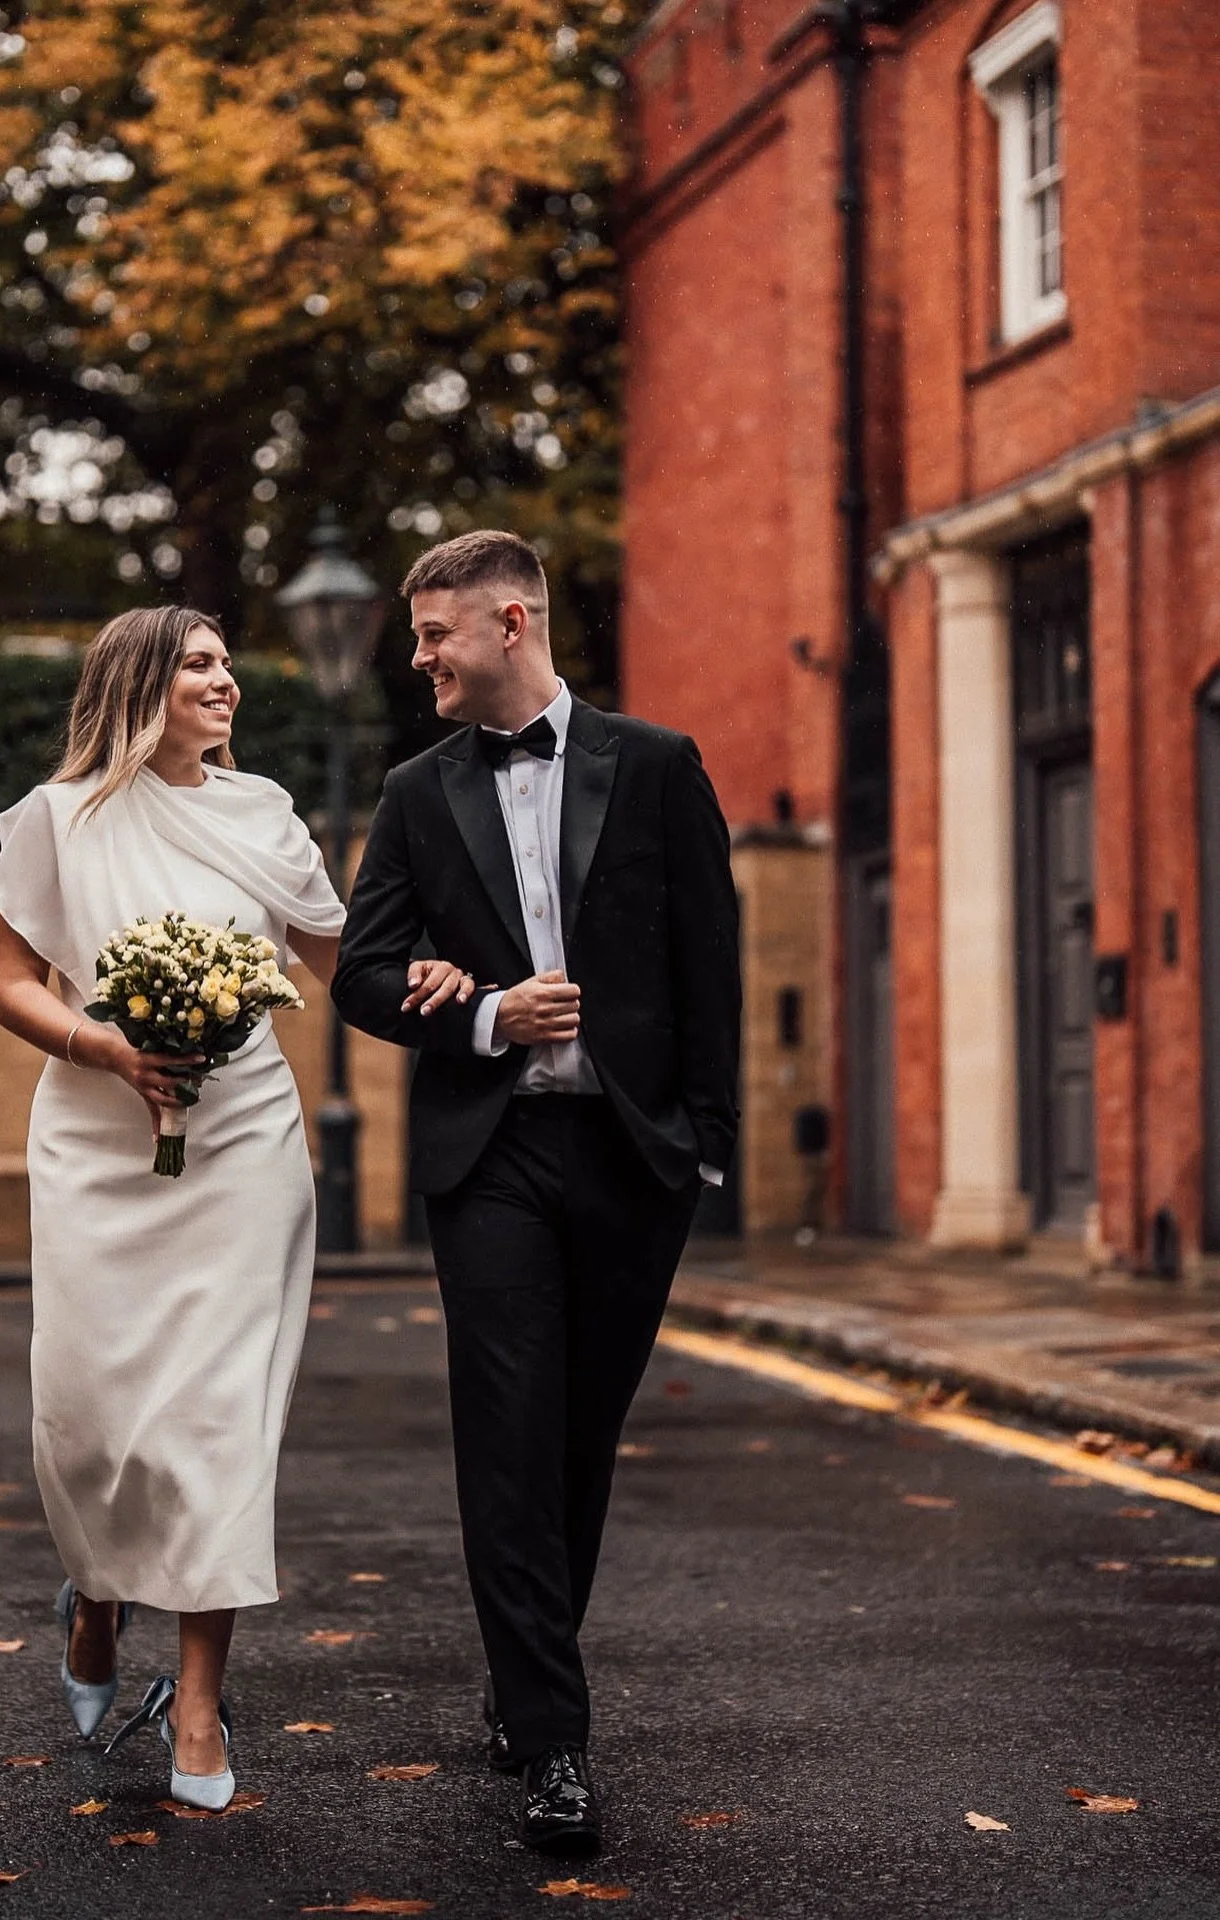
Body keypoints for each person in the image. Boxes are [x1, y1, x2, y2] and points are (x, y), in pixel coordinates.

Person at [0, 604, 472, 1810]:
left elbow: (340, 961)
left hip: (247, 1140)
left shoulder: (263, 818)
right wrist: (103, 1045)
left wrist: (439, 979)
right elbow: (7, 984)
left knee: (219, 1422)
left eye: (227, 664)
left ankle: (197, 1707)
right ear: (141, 679)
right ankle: (95, 1597)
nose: (226, 683)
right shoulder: (60, 819)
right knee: (94, 1417)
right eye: (200, 664)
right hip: (100, 1142)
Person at [332, 530, 740, 1857]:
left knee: (577, 1437)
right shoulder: (413, 790)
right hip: (490, 1153)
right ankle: (553, 1741)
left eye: (435, 634)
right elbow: (363, 971)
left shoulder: (660, 768)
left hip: (631, 1156)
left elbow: (708, 961)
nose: (419, 658)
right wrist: (487, 1010)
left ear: (511, 623)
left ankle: (524, 1682)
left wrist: (705, 1148)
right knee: (509, 1430)